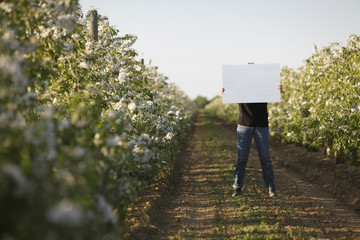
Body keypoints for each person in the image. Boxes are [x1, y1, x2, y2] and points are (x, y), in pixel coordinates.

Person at [221, 69, 282, 198]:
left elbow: (274, 93)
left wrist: (277, 90)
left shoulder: (264, 87)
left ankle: (271, 187)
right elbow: (229, 93)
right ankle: (237, 187)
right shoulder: (239, 88)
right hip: (244, 124)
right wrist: (224, 92)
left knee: (265, 158)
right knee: (242, 158)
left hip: (261, 125)